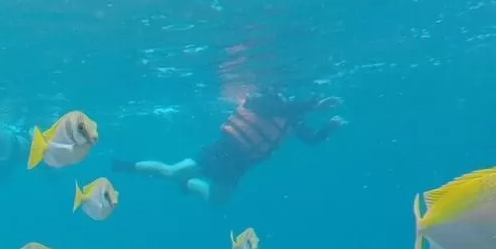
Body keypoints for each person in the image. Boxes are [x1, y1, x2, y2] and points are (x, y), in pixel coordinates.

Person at [113, 88, 345, 203]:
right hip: (223, 148)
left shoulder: (294, 120)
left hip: (242, 164)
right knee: (172, 171)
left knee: (217, 201)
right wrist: (315, 105)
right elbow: (276, 110)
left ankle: (191, 184)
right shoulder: (263, 99)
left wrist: (329, 129)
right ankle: (122, 166)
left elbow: (311, 140)